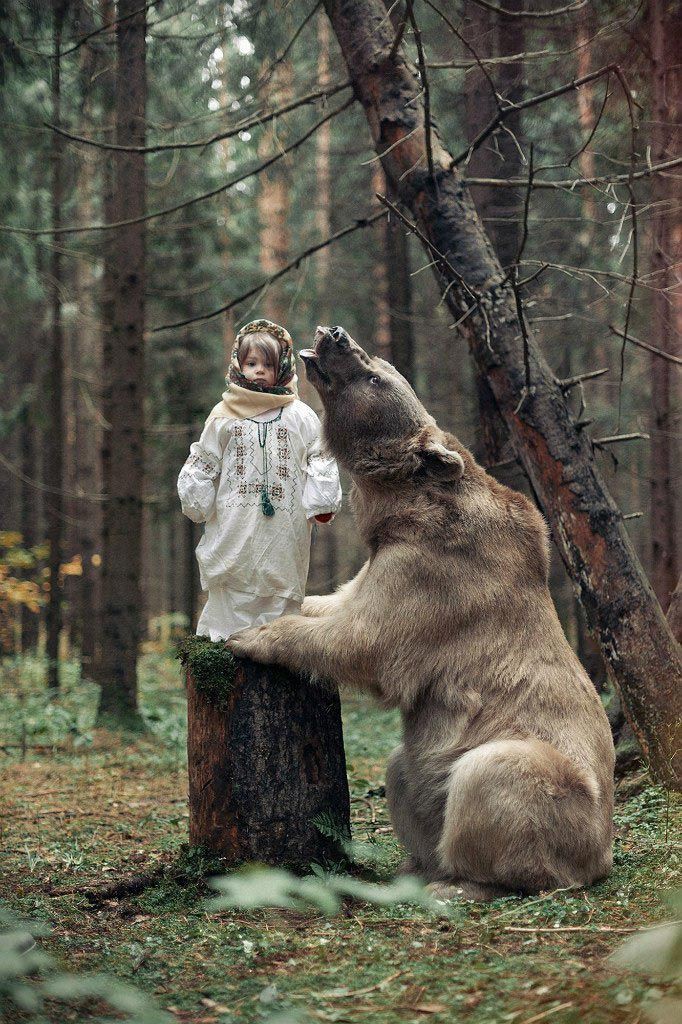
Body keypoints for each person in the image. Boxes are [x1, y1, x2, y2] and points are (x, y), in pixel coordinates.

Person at [177, 319, 342, 641]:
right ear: (239, 364)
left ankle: (277, 643)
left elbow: (320, 456)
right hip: (233, 520)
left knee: (279, 581)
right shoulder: (223, 415)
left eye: (267, 364)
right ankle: (225, 643)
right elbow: (205, 460)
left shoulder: (301, 415)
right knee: (232, 578)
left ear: (282, 367)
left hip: (284, 523)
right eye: (251, 363)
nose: (259, 371)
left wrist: (321, 501)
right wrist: (197, 499)